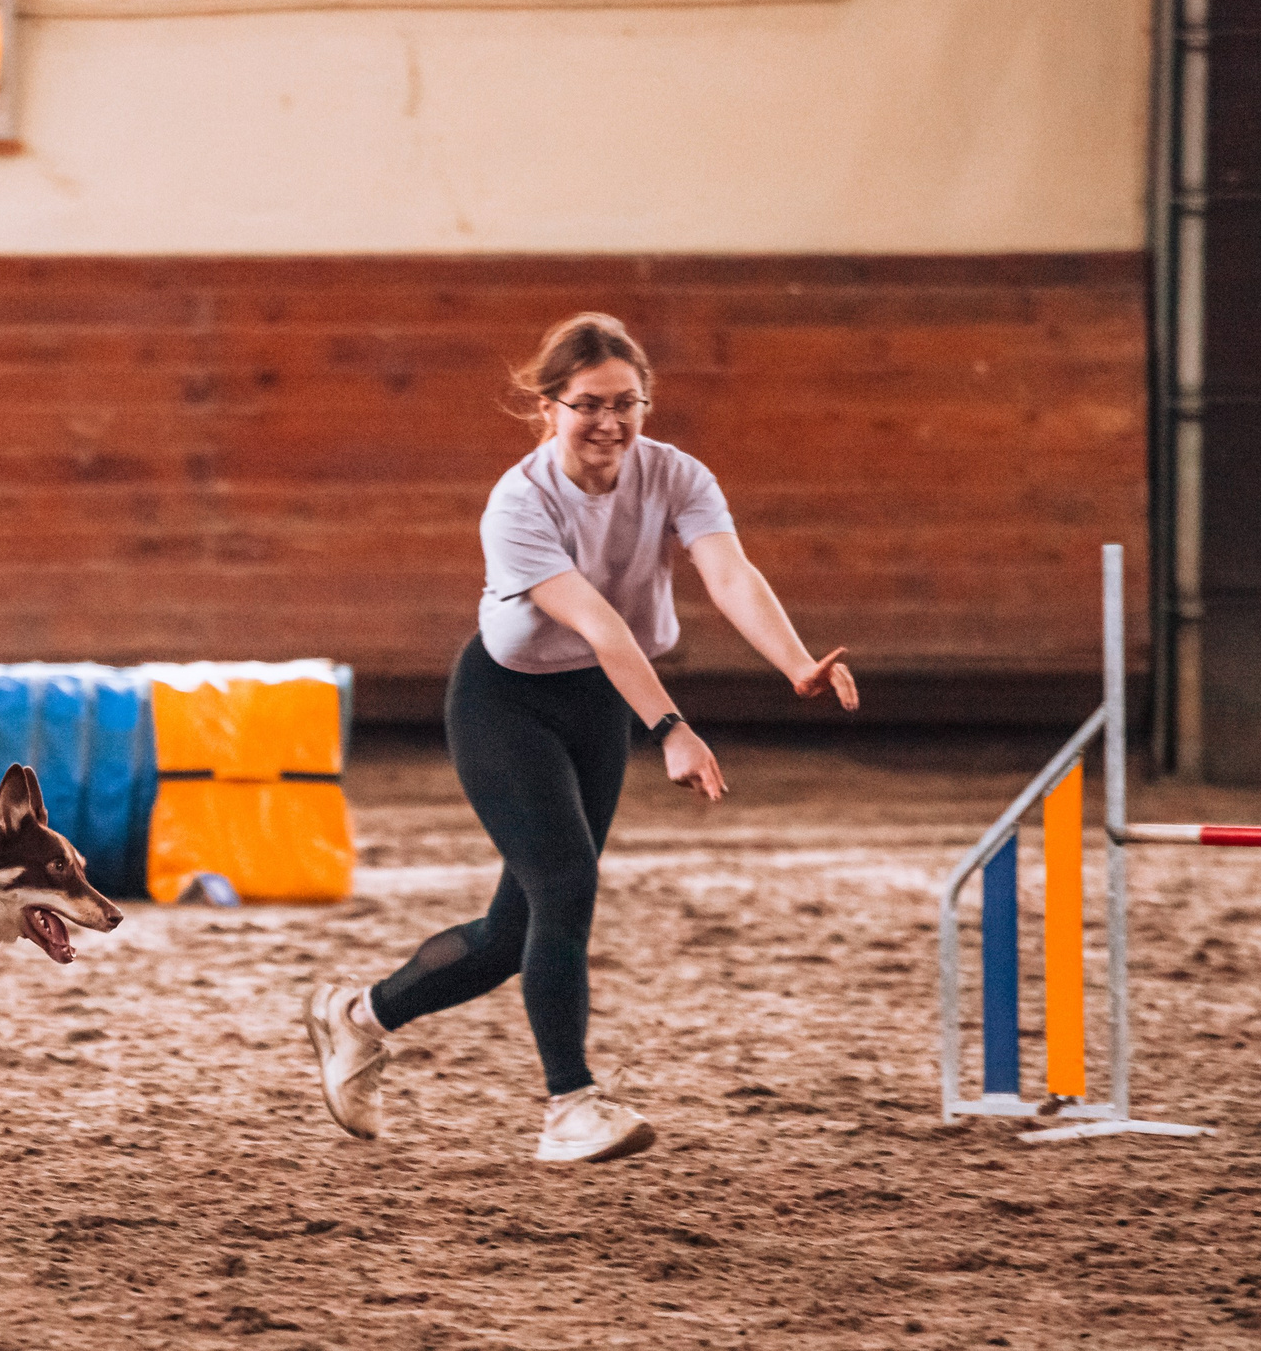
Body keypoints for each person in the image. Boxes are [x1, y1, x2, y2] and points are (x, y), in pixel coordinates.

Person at [304, 312, 859, 1162]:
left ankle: (359, 1015)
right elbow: (600, 625)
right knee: (565, 885)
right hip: (506, 702)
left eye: (627, 403)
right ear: (548, 406)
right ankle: (570, 1103)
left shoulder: (676, 475)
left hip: (599, 702)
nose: (610, 422)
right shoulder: (518, 502)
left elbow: (728, 571)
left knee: (514, 931)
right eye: (588, 404)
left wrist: (794, 663)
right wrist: (671, 726)